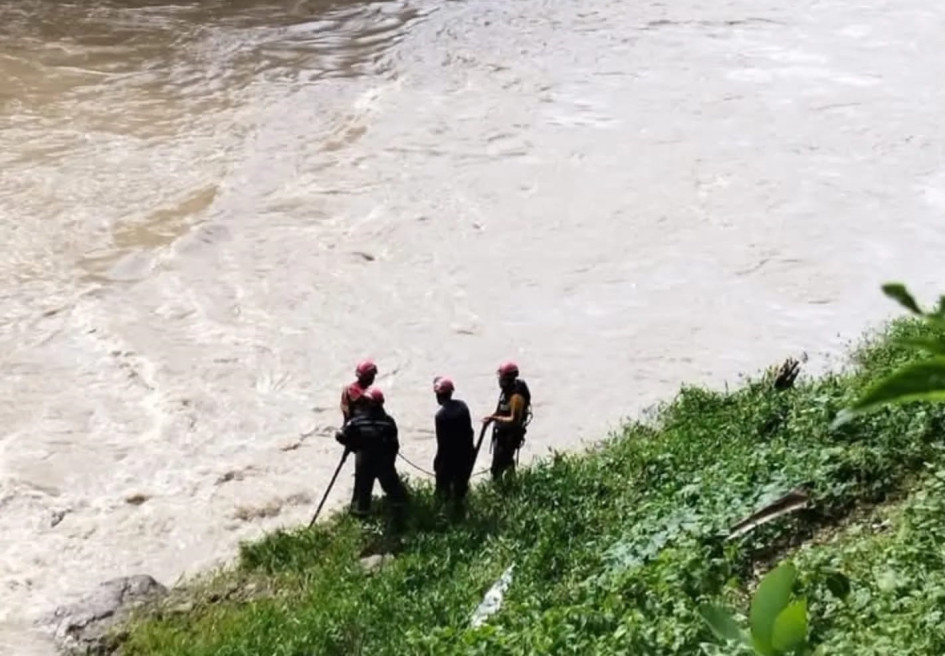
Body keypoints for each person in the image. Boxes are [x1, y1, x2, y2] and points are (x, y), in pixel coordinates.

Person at [335, 387, 408, 517]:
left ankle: (361, 522)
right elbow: (394, 445)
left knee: (363, 496)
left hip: (364, 463)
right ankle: (399, 519)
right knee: (395, 493)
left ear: (367, 403)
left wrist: (354, 446)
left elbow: (340, 435)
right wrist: (390, 461)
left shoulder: (356, 422)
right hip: (384, 464)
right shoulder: (388, 421)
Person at [482, 361, 531, 482]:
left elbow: (514, 420)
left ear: (508, 378)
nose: (499, 380)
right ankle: (510, 485)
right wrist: (491, 418)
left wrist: (495, 419)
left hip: (510, 437)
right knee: (503, 464)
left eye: (502, 377)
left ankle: (503, 489)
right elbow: (501, 410)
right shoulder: (506, 392)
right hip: (501, 435)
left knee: (499, 467)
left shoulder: (516, 397)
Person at [432, 376, 475, 510]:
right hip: (466, 455)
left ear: (439, 396)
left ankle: (441, 515)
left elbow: (442, 443)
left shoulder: (440, 416)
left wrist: (437, 461)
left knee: (442, 490)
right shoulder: (463, 407)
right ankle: (460, 511)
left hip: (449, 459)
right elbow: (470, 432)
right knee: (460, 488)